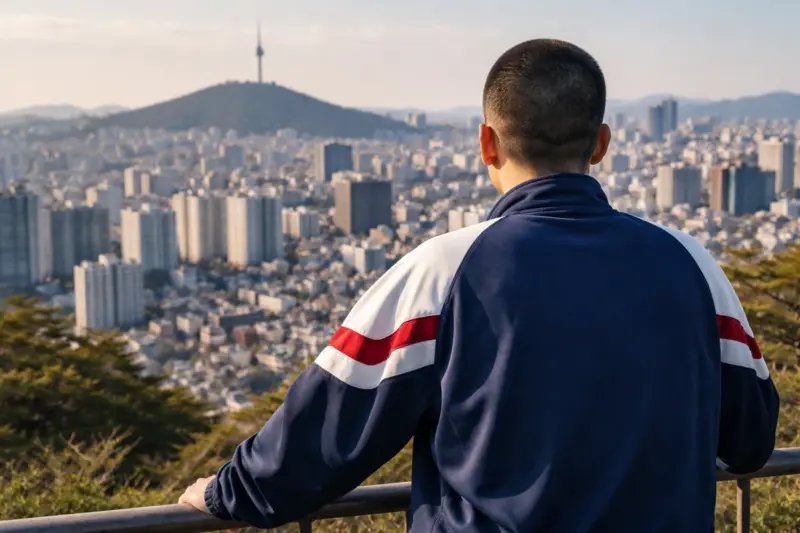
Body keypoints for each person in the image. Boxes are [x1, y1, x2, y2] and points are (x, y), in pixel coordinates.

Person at [179, 39, 780, 532]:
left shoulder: (441, 272)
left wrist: (225, 494)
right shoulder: (692, 264)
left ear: (486, 143)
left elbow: (321, 437)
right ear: (601, 144)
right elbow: (751, 441)